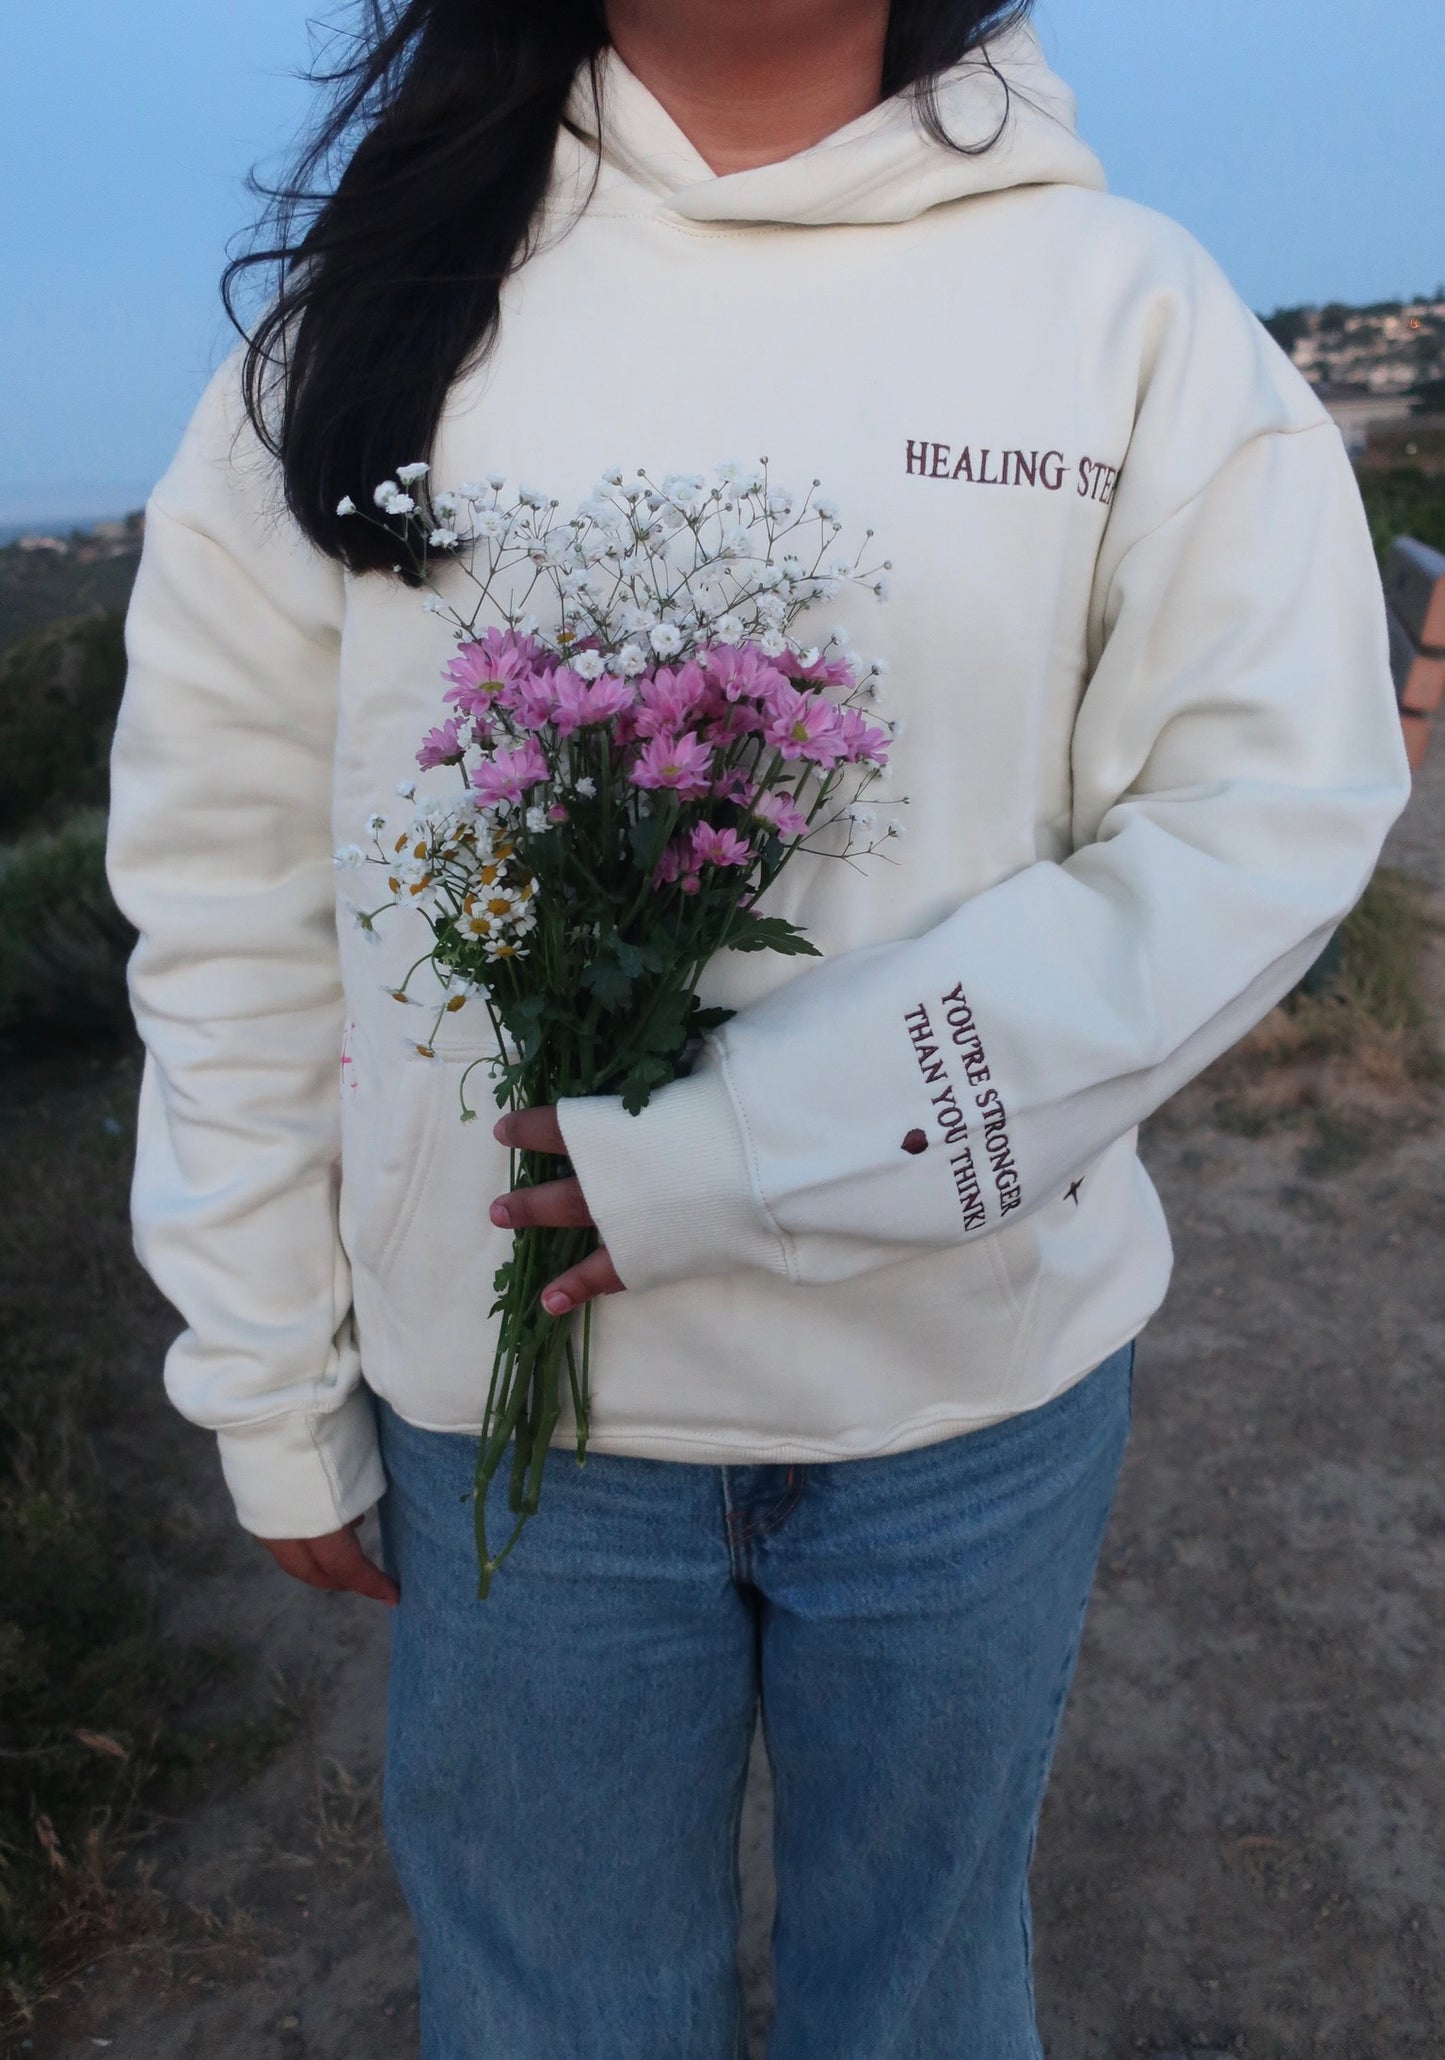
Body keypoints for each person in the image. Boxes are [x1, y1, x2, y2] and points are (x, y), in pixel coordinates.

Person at [107, 1, 1410, 2053]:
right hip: (517, 1427)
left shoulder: (1124, 313)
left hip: (964, 1410)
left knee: (924, 2004)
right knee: (553, 2017)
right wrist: (263, 1364)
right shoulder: (370, 327)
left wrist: (733, 1153)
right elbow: (229, 889)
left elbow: (1262, 823)